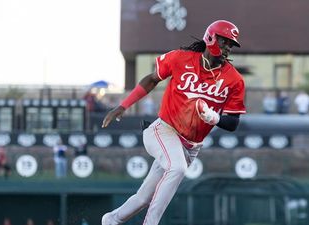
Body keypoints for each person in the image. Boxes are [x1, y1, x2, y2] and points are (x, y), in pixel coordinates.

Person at [101, 20, 246, 225]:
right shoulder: (180, 58)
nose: (228, 48)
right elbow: (151, 79)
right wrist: (123, 105)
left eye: (231, 45)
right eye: (225, 42)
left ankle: (111, 220)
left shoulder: (234, 79)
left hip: (190, 147)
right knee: (177, 168)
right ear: (211, 38)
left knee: (144, 198)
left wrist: (214, 117)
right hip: (164, 130)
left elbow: (233, 123)